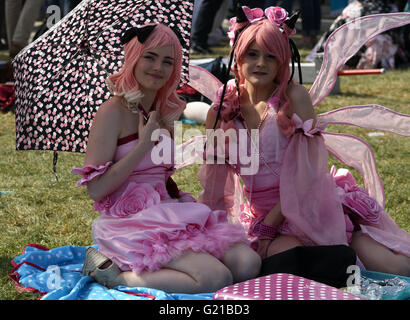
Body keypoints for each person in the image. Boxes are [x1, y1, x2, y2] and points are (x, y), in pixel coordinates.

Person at [199, 6, 410, 276]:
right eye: (252, 54)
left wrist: (270, 225)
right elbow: (215, 184)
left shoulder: (295, 97)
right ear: (237, 57)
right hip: (260, 217)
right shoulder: (222, 107)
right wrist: (212, 231)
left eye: (270, 56)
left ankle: (348, 250)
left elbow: (307, 175)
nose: (261, 63)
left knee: (395, 267)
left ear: (282, 62)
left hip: (307, 207)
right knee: (281, 264)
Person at [72, 23, 261, 293]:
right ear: (133, 58)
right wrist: (143, 145)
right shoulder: (111, 111)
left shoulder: (163, 112)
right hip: (129, 225)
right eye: (149, 57)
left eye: (167, 61)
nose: (158, 67)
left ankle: (181, 267)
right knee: (215, 278)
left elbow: (158, 176)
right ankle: (115, 277)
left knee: (247, 264)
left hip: (167, 213)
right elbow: (96, 189)